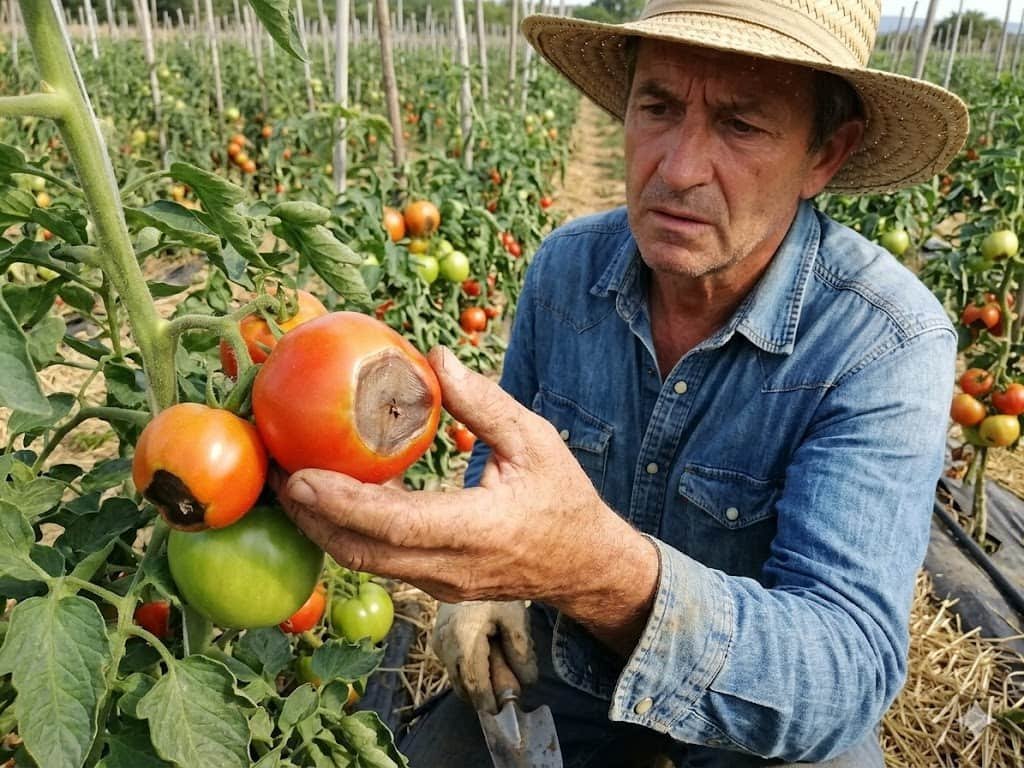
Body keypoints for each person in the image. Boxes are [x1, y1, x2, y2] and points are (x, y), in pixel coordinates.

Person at [273, 1, 970, 765]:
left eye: (741, 126)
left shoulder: (882, 341)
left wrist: (594, 571)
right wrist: (482, 584)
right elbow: (505, 450)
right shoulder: (567, 271)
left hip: (764, 721)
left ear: (825, 156)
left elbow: (844, 670)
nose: (677, 167)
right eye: (658, 107)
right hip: (567, 668)